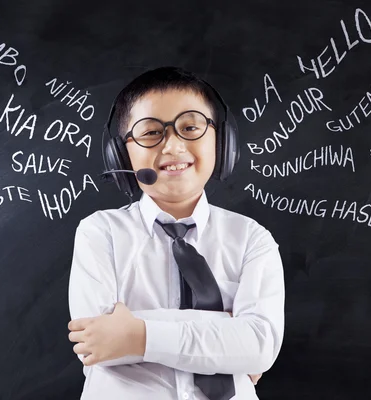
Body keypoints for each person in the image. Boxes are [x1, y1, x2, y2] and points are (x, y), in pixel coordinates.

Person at [68, 66, 285, 400]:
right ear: (121, 152)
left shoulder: (252, 240)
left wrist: (138, 335)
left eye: (190, 127)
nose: (172, 146)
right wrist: (224, 331)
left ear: (223, 142)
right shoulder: (100, 233)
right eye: (151, 133)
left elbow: (259, 347)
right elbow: (96, 341)